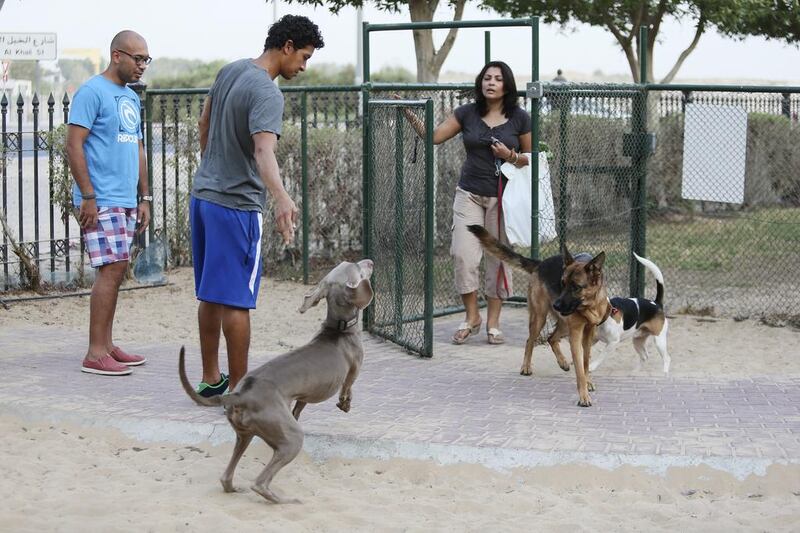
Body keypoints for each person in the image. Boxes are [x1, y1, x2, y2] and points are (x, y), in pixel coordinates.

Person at [190, 15, 324, 397]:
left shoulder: (229, 70)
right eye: (304, 56)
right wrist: (282, 197)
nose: (303, 66)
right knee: (235, 300)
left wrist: (213, 168)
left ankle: (211, 379)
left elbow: (204, 123)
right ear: (286, 47)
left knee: (210, 293)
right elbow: (263, 149)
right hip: (236, 207)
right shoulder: (268, 92)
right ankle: (240, 390)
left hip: (204, 198)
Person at [403, 61, 531, 345]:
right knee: (463, 254)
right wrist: (411, 115)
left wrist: (510, 155)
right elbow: (433, 137)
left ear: (507, 85)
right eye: (487, 77)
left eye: (497, 78)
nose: (491, 82)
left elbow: (531, 159)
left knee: (498, 260)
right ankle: (472, 316)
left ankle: (494, 323)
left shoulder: (520, 117)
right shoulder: (466, 113)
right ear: (480, 82)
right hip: (469, 194)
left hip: (503, 199)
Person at [66, 30, 152, 376]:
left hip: (125, 198)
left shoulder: (130, 97)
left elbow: (139, 147)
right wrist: (88, 196)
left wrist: (144, 196)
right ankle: (95, 351)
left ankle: (108, 344)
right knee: (110, 270)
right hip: (100, 198)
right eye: (137, 58)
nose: (142, 65)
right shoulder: (91, 92)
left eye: (146, 59)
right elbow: (74, 145)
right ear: (117, 55)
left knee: (116, 270)